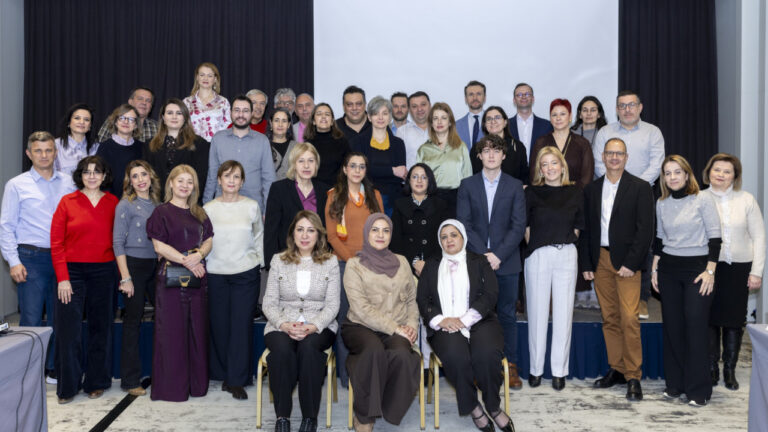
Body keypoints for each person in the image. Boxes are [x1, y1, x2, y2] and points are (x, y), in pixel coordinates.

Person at [417, 220, 514, 432]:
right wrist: (441, 320)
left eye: (454, 235)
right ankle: (473, 407)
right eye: (444, 237)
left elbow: (491, 294)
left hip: (480, 319)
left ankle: (493, 406)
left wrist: (465, 319)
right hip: (444, 325)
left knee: (487, 355)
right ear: (439, 241)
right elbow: (422, 299)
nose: (449, 240)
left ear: (463, 237)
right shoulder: (431, 265)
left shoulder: (480, 261)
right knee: (456, 357)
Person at [579, 138, 654, 401]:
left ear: (626, 157)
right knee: (610, 317)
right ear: (602, 156)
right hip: (600, 259)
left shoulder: (640, 187)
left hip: (627, 263)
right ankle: (618, 369)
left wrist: (632, 263)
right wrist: (586, 263)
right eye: (610, 153)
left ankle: (633, 375)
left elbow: (645, 230)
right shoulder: (592, 189)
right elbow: (586, 229)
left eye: (619, 153)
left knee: (629, 318)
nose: (614, 157)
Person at [1, 131, 76, 383]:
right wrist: (14, 262)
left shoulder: (69, 183)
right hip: (30, 258)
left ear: (55, 153)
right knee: (31, 318)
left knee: (59, 316)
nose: (44, 155)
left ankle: (53, 368)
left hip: (63, 258)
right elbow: (6, 226)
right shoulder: (16, 185)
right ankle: (28, 372)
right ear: (29, 153)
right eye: (38, 151)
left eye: (48, 150)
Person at [457, 134, 526, 390]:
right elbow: (464, 224)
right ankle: (481, 367)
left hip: (506, 262)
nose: (491, 155)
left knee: (507, 315)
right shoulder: (467, 185)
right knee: (477, 315)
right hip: (476, 261)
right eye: (486, 151)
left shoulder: (515, 186)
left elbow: (518, 226)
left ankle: (511, 365)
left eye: (496, 151)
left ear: (504, 155)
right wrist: (485, 254)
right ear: (479, 156)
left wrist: (498, 255)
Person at [651, 155, 721, 407]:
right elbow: (659, 239)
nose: (672, 177)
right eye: (668, 173)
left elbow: (715, 237)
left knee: (695, 328)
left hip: (697, 270)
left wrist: (710, 271)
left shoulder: (703, 198)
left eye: (677, 172)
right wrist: (655, 269)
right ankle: (676, 385)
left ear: (687, 174)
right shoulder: (661, 203)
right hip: (668, 270)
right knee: (673, 328)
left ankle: (698, 390)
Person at [342, 213, 420, 431]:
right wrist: (396, 328)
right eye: (375, 230)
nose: (380, 235)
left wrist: (411, 326)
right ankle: (364, 415)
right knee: (373, 351)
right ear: (367, 233)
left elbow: (411, 301)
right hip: (360, 326)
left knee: (403, 356)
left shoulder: (402, 262)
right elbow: (360, 308)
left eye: (386, 230)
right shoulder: (354, 265)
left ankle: (386, 407)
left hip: (398, 326)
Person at [263, 211, 340, 432]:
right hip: (282, 323)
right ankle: (282, 417)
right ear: (292, 234)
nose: (305, 235)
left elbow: (332, 305)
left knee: (308, 349)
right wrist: (284, 324)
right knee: (282, 351)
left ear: (318, 235)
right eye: (300, 230)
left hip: (319, 325)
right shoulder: (278, 260)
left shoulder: (330, 262)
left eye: (310, 230)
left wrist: (313, 326)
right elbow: (269, 302)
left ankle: (309, 418)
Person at [50, 155, 118, 404]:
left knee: (101, 328)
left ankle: (96, 382)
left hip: (104, 271)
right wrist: (63, 278)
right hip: (72, 273)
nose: (92, 176)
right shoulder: (67, 202)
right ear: (80, 175)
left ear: (104, 176)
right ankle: (67, 387)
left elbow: (119, 240)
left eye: (97, 172)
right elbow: (56, 242)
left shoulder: (113, 202)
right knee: (68, 331)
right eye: (87, 172)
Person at [594, 91, 665, 320]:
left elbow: (657, 164)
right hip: (609, 192)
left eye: (631, 105)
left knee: (643, 242)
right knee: (612, 239)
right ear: (616, 109)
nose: (627, 110)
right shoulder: (605, 132)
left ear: (640, 107)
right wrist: (617, 185)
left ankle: (642, 298)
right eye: (622, 106)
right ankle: (614, 296)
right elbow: (599, 164)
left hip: (641, 194)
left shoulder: (652, 132)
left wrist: (634, 188)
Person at [146, 164, 214, 402]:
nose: (185, 185)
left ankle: (197, 386)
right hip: (170, 282)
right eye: (181, 181)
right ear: (171, 184)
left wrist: (200, 254)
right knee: (172, 334)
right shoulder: (161, 212)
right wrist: (188, 261)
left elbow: (209, 240)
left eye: (190, 181)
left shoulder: (200, 213)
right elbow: (159, 246)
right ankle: (172, 389)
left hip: (197, 283)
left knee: (197, 333)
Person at [701, 153, 765, 390]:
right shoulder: (698, 198)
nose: (721, 174)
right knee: (709, 319)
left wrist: (757, 271)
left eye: (727, 171)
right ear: (708, 172)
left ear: (734, 176)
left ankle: (729, 370)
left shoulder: (746, 200)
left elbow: (759, 237)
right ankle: (711, 369)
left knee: (734, 320)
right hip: (707, 269)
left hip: (739, 268)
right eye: (717, 169)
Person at [523, 146, 584, 390]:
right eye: (544, 164)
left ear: (562, 166)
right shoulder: (531, 192)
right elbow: (526, 228)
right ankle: (536, 369)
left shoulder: (575, 191)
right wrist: (540, 246)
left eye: (554, 163)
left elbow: (579, 226)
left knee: (563, 313)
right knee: (537, 313)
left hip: (566, 254)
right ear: (540, 169)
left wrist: (562, 242)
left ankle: (559, 371)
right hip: (538, 254)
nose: (550, 168)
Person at [204, 160, 263, 400]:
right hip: (215, 272)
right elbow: (204, 241)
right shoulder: (208, 208)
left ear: (242, 181)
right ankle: (222, 373)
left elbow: (259, 237)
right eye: (227, 176)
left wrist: (258, 263)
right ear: (219, 180)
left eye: (236, 176)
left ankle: (237, 380)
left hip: (245, 273)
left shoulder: (251, 206)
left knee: (241, 326)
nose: (231, 180)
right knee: (219, 326)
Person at [324, 152, 383, 387]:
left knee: (368, 319)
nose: (357, 170)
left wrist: (369, 261)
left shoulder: (374, 195)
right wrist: (351, 262)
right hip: (343, 264)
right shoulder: (334, 196)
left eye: (362, 166)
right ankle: (346, 375)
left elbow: (381, 232)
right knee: (346, 319)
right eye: (353, 166)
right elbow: (331, 235)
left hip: (371, 265)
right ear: (345, 169)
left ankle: (368, 370)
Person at [113, 160, 162, 397]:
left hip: (156, 266)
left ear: (151, 177)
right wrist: (125, 277)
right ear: (129, 182)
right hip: (133, 266)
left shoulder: (158, 205)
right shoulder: (125, 205)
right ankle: (130, 380)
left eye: (144, 174)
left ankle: (161, 372)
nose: (140, 179)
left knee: (164, 318)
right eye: (135, 176)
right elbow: (117, 243)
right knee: (133, 322)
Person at [264, 143, 329, 270]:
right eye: (301, 161)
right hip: (287, 260)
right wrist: (272, 265)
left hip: (317, 260)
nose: (306, 165)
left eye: (311, 161)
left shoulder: (325, 191)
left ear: (316, 164)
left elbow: (327, 230)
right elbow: (271, 231)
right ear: (294, 164)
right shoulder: (279, 189)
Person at [203, 95, 275, 210]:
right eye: (237, 110)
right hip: (222, 207)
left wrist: (268, 211)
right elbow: (212, 175)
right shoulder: (218, 139)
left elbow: (269, 179)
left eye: (245, 111)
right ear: (230, 113)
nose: (241, 115)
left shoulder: (262, 141)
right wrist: (206, 206)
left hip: (253, 208)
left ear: (251, 113)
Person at [350, 96, 407, 215]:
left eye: (385, 113)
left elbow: (400, 174)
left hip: (392, 201)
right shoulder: (358, 141)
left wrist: (375, 171)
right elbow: (360, 171)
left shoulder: (398, 144)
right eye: (376, 114)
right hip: (366, 199)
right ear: (369, 117)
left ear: (390, 117)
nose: (380, 118)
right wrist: (392, 171)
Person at [391, 163, 449, 276]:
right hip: (407, 265)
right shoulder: (400, 204)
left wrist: (429, 264)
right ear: (409, 181)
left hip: (435, 265)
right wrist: (414, 262)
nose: (419, 181)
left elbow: (444, 239)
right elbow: (395, 241)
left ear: (429, 181)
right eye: (415, 177)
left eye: (424, 177)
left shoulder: (440, 205)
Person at [144, 98, 210, 198]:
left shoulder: (200, 144)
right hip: (157, 200)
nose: (174, 117)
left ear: (185, 118)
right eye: (170, 113)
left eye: (179, 113)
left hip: (187, 200)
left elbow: (201, 178)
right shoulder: (149, 145)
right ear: (163, 118)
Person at [416, 102, 473, 214]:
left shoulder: (461, 147)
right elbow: (418, 179)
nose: (439, 122)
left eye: (443, 118)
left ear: (450, 122)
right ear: (431, 123)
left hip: (456, 198)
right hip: (431, 198)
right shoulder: (423, 149)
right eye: (435, 118)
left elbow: (468, 177)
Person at [529, 99, 594, 188]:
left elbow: (587, 177)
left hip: (575, 193)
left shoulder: (583, 143)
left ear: (570, 117)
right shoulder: (541, 142)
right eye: (554, 115)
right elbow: (534, 174)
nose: (558, 118)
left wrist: (572, 193)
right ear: (550, 118)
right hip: (546, 194)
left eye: (562, 114)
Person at [96, 104, 144, 198]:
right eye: (122, 118)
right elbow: (100, 178)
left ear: (135, 125)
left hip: (137, 199)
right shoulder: (105, 147)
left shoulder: (142, 147)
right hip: (110, 200)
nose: (126, 122)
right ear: (115, 122)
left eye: (131, 119)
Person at [471, 106, 528, 184]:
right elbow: (474, 177)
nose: (493, 121)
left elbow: (524, 177)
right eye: (489, 119)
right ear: (485, 125)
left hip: (512, 190)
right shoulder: (476, 148)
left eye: (497, 117)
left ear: (505, 122)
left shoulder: (518, 147)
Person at [303, 103, 351, 187]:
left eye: (327, 114)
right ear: (313, 121)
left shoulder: (342, 142)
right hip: (313, 189)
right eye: (319, 114)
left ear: (332, 121)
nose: (323, 117)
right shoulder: (307, 144)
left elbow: (349, 167)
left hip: (338, 189)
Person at [183, 62, 231, 142]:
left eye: (210, 75)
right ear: (197, 77)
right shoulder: (187, 102)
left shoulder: (223, 102)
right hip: (192, 146)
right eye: (202, 75)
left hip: (216, 146)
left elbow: (228, 127)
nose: (205, 78)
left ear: (215, 79)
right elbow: (182, 127)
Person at [508, 83, 553, 155]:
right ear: (514, 100)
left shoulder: (547, 126)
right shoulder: (506, 125)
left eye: (527, 94)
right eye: (519, 95)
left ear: (533, 99)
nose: (523, 97)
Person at [54, 103, 98, 176]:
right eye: (77, 118)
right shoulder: (55, 145)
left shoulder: (96, 148)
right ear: (69, 122)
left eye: (86, 119)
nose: (81, 122)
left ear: (90, 125)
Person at [396, 91, 431, 168]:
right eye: (414, 106)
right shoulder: (402, 132)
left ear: (430, 105)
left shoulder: (440, 129)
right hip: (412, 175)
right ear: (409, 110)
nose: (419, 109)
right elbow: (398, 163)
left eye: (423, 104)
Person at [268, 108, 299, 181]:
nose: (280, 124)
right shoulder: (264, 146)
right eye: (276, 120)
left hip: (292, 187)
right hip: (269, 187)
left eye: (284, 121)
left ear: (288, 125)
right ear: (271, 123)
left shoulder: (297, 147)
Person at [456, 80, 486, 151]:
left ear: (484, 98)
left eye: (479, 94)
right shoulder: (456, 126)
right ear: (465, 99)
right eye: (471, 94)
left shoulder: (493, 123)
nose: (475, 98)